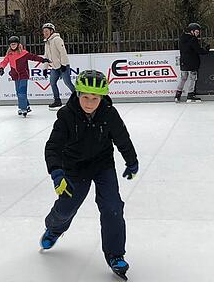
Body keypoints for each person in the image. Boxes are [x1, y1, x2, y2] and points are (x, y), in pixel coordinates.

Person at [40, 70, 138, 280]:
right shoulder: (67, 115)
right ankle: (54, 228)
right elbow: (52, 147)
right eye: (85, 96)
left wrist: (132, 162)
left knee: (113, 207)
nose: (89, 102)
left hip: (103, 166)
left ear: (102, 98)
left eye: (95, 98)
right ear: (77, 94)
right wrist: (57, 173)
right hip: (74, 168)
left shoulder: (109, 114)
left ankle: (115, 255)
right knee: (66, 208)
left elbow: (122, 138)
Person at [0, 36, 49, 116]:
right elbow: (4, 62)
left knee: (22, 92)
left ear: (18, 44)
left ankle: (23, 108)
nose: (13, 46)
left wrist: (42, 60)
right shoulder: (9, 54)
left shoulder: (24, 53)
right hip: (15, 76)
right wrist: (1, 68)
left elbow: (33, 57)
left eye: (14, 44)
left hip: (23, 75)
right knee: (19, 93)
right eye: (11, 44)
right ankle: (27, 105)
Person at [175, 22, 210, 103]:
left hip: (183, 61)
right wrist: (206, 50)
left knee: (183, 78)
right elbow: (198, 50)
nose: (198, 34)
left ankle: (177, 95)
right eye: (197, 32)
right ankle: (190, 95)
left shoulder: (182, 38)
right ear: (192, 31)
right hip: (192, 62)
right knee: (192, 78)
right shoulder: (193, 39)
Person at [42, 23, 74, 109]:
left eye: (46, 31)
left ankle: (78, 99)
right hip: (54, 67)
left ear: (51, 31)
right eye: (44, 31)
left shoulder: (57, 39)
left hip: (63, 66)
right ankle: (57, 100)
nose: (45, 33)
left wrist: (63, 65)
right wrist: (45, 68)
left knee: (68, 83)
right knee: (52, 83)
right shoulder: (47, 42)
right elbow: (46, 56)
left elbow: (63, 52)